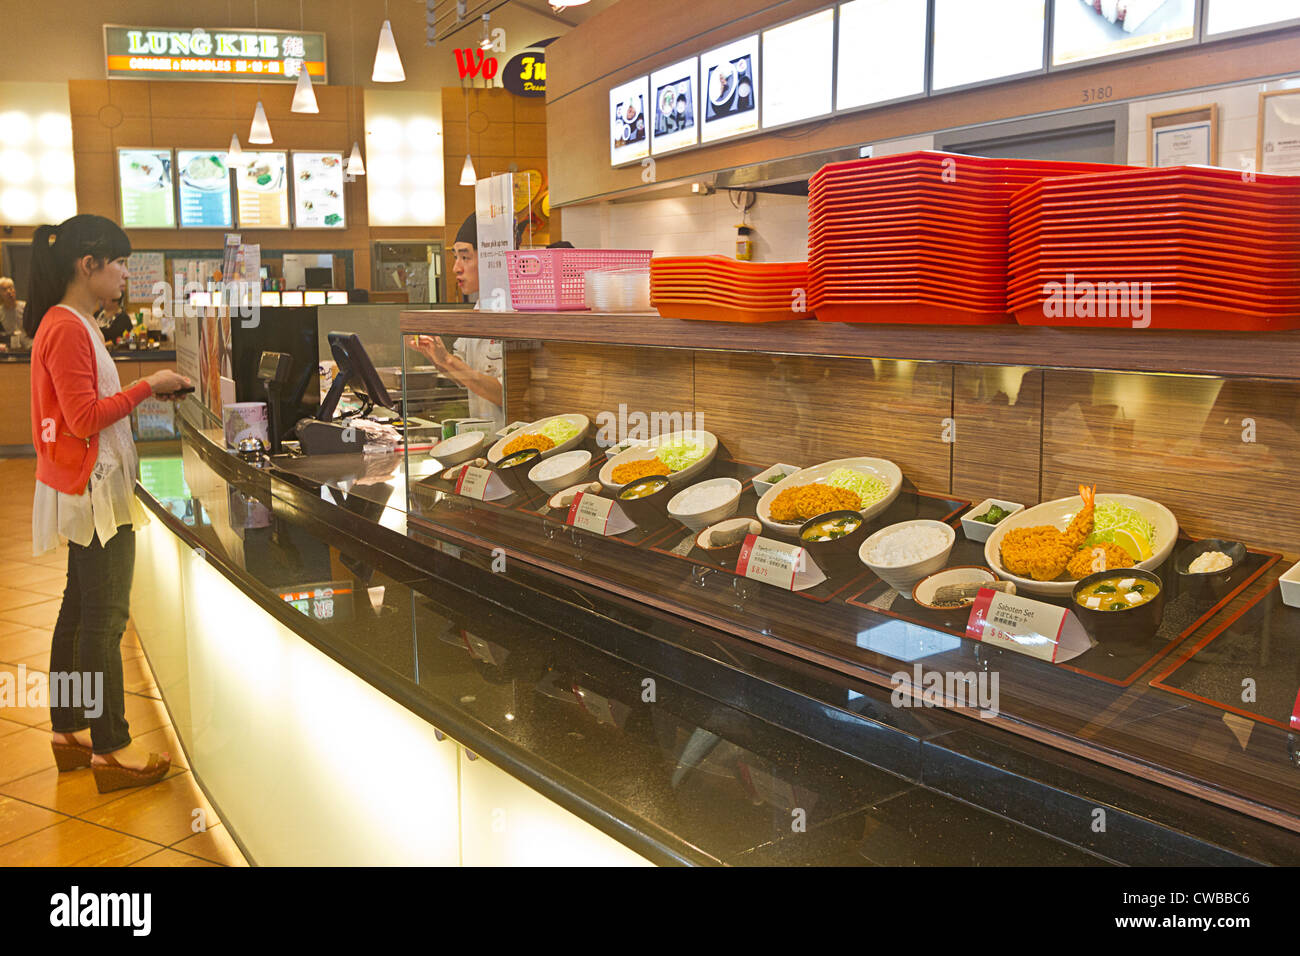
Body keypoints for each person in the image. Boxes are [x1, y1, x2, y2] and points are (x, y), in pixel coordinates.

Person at [26, 214, 191, 794]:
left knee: (77, 609)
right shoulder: (69, 327)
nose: (126, 273)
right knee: (104, 620)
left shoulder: (65, 321)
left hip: (77, 484)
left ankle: (69, 731)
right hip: (93, 490)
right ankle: (112, 747)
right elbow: (84, 417)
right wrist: (152, 386)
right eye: (118, 263)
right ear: (86, 265)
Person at [412, 213, 505, 431]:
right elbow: (461, 375)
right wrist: (435, 354)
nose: (456, 268)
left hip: (510, 441)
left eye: (465, 257)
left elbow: (505, 393)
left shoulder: (515, 311)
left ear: (492, 260)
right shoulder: (479, 307)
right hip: (483, 437)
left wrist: (447, 360)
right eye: (456, 257)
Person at [1, 275, 31, 348]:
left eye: (11, 288)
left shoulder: (25, 307)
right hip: (11, 350)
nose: (9, 292)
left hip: (29, 346)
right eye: (4, 289)